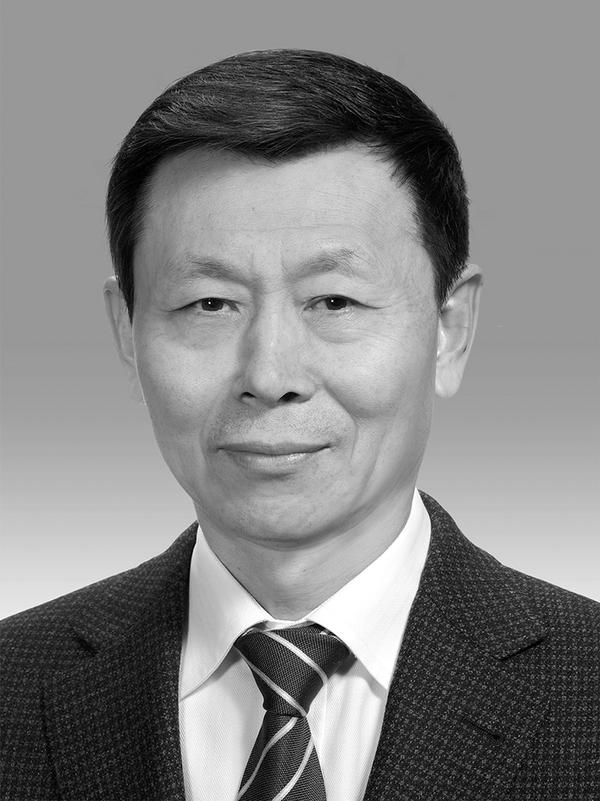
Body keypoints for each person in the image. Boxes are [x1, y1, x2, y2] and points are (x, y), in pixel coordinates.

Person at [0, 49, 598, 801]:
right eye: (209, 304)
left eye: (334, 301)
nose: (270, 374)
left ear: (451, 328)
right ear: (128, 330)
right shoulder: (14, 685)